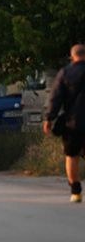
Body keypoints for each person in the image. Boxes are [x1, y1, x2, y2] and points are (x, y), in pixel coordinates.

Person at [43, 44, 85, 203]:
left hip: (72, 123)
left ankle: (76, 192)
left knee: (71, 156)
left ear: (72, 56)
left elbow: (55, 98)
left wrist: (49, 118)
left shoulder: (65, 73)